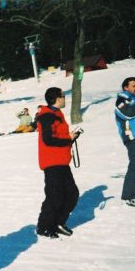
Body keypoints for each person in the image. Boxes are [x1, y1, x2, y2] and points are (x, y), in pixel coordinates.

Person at [35, 87, 81, 239]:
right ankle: (44, 227)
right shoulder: (47, 115)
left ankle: (58, 223)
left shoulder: (56, 114)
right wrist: (69, 138)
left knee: (72, 193)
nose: (65, 98)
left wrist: (70, 136)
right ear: (57, 98)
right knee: (55, 196)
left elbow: (57, 135)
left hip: (61, 161)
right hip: (52, 162)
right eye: (63, 96)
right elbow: (48, 139)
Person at [114, 77, 135, 207]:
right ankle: (129, 196)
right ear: (126, 88)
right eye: (133, 86)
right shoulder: (121, 100)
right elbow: (128, 114)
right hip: (132, 136)